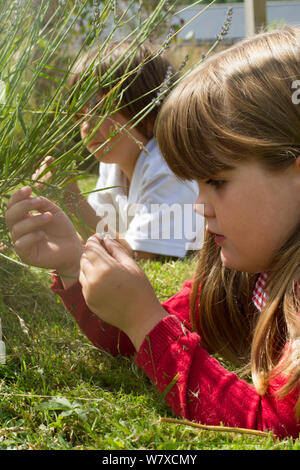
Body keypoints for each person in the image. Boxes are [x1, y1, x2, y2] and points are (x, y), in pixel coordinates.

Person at [6, 26, 300, 439]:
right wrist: (75, 264)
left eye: (216, 182)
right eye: (195, 184)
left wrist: (146, 319)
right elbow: (131, 339)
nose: (199, 206)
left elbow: (274, 426)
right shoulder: (242, 268)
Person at [33, 41, 200, 260]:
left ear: (150, 114)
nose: (87, 125)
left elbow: (138, 254)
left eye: (102, 110)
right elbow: (96, 230)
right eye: (82, 112)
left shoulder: (168, 168)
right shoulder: (113, 166)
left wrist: (73, 201)